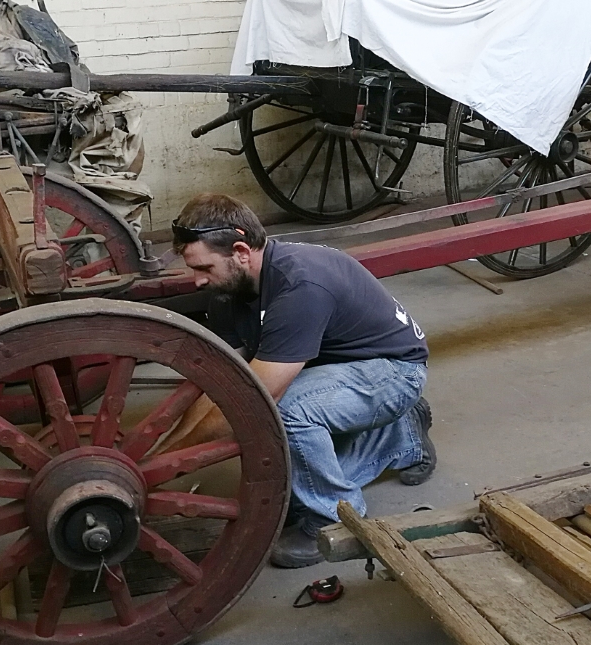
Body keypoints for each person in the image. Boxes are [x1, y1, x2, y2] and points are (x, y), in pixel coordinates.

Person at [170, 193, 434, 568]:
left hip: (393, 372)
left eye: (204, 267)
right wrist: (167, 450)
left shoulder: (300, 286)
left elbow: (250, 400)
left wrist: (171, 464)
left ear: (241, 252)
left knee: (285, 412)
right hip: (335, 368)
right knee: (291, 494)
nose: (197, 280)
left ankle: (333, 519)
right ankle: (402, 436)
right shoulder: (230, 289)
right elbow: (222, 382)